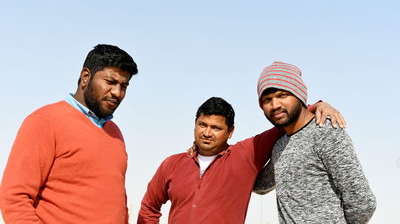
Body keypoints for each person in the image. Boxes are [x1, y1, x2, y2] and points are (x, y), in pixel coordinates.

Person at [138, 96, 344, 224]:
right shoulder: (172, 164)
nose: (207, 133)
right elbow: (149, 207)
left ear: (230, 132)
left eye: (216, 128)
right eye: (202, 125)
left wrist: (318, 105)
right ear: (195, 124)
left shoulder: (246, 154)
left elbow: (285, 122)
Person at [0, 44, 138, 223]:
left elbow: (116, 201)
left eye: (124, 86)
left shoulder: (115, 133)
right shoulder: (45, 121)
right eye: (110, 82)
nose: (117, 93)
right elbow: (14, 198)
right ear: (85, 77)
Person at [253, 61, 376, 223]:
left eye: (283, 95)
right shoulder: (279, 147)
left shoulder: (326, 132)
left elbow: (363, 203)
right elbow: (260, 185)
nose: (275, 105)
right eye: (267, 99)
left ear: (299, 95)